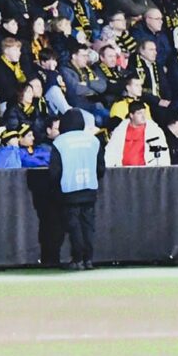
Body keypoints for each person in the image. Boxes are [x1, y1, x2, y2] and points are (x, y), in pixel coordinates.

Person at [47, 108, 103, 270]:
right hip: (90, 187)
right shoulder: (93, 141)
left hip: (69, 189)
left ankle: (77, 259)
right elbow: (100, 168)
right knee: (88, 225)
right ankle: (88, 259)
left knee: (74, 226)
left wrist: (55, 188)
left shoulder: (60, 142)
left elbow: (55, 171)